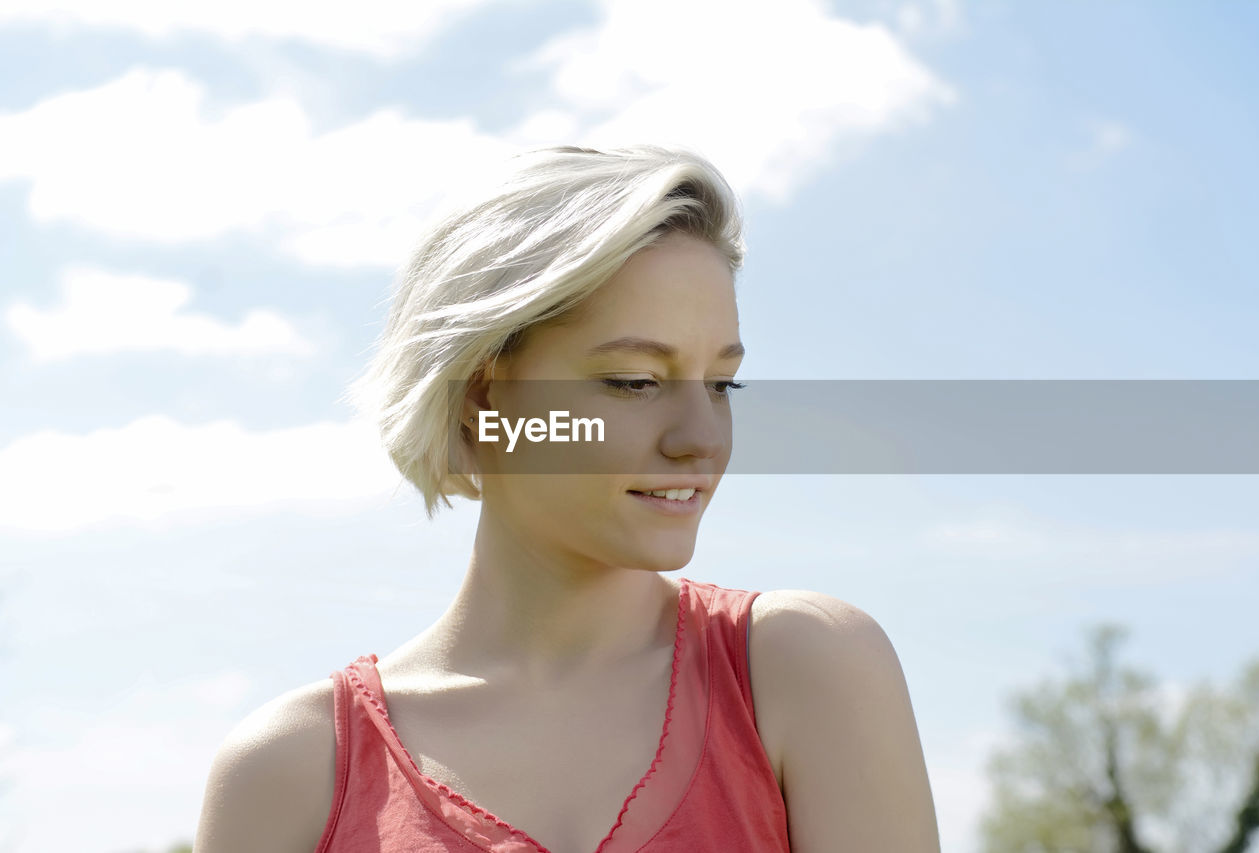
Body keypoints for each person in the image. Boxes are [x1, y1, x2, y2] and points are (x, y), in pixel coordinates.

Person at [193, 144, 940, 852]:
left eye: (722, 383)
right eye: (635, 381)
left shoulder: (803, 668)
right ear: (482, 397)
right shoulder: (287, 775)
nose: (701, 438)